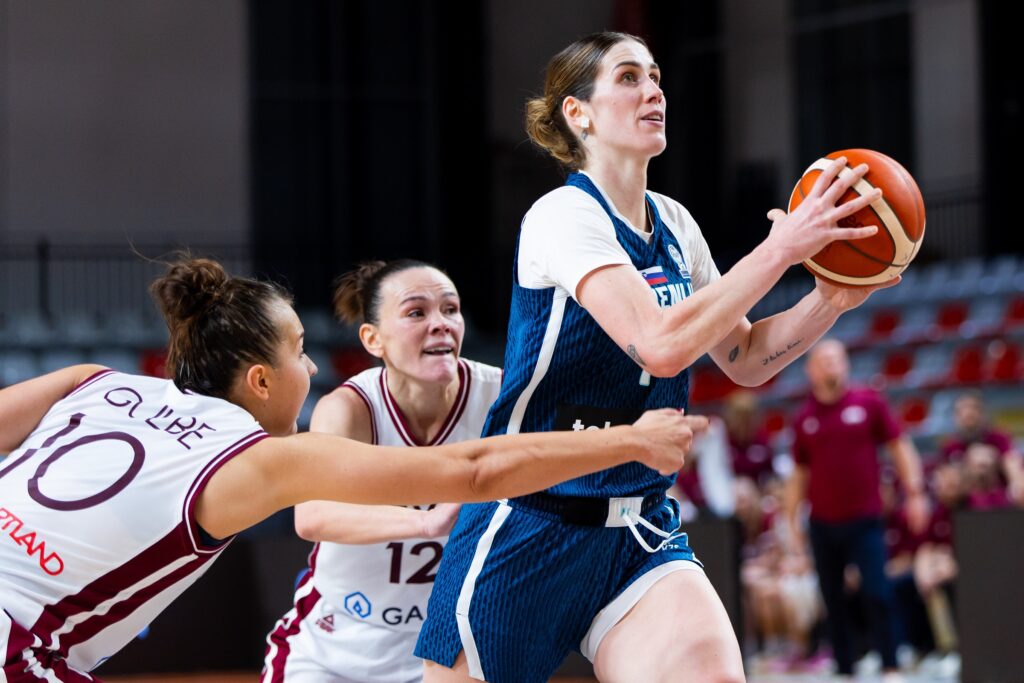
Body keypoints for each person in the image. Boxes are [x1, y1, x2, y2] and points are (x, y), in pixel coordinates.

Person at [416, 31, 895, 683]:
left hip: (638, 531)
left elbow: (745, 356)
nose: (653, 91)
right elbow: (662, 345)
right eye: (629, 77)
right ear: (578, 113)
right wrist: (780, 250)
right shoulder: (562, 216)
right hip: (531, 520)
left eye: (657, 77)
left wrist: (828, 301)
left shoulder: (675, 223)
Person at [0, 257, 703, 681]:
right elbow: (477, 471)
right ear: (260, 380)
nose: (310, 367)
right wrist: (630, 440)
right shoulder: (260, 458)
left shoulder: (91, 382)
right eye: (299, 351)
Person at [262, 260, 503, 683]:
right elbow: (312, 516)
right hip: (336, 642)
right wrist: (427, 522)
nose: (441, 323)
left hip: (449, 644)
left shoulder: (499, 395)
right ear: (373, 339)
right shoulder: (350, 407)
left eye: (450, 309)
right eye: (416, 312)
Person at [783, 339, 928, 680]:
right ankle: (845, 669)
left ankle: (891, 665)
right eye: (824, 360)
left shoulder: (869, 403)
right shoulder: (804, 418)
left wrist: (915, 493)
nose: (832, 365)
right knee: (832, 599)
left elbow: (899, 447)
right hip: (822, 523)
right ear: (811, 370)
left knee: (877, 591)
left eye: (837, 359)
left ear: (846, 364)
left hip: (865, 519)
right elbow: (798, 475)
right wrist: (790, 520)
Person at [938, 390, 1024, 505]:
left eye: (973, 409)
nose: (968, 413)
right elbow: (945, 488)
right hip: (963, 505)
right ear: (955, 416)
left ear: (983, 413)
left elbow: (1013, 467)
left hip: (1000, 503)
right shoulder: (949, 447)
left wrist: (1017, 486)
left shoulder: (999, 438)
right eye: (962, 410)